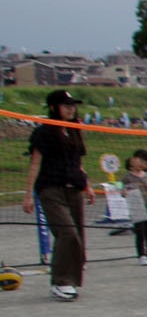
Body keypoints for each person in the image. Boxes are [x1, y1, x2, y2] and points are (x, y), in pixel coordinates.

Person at [23, 89, 94, 300]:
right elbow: (35, 163)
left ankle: (71, 280)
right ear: (54, 107)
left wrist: (87, 185)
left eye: (73, 104)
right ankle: (60, 281)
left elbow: (77, 163)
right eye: (66, 105)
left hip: (74, 188)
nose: (71, 108)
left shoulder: (75, 129)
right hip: (50, 188)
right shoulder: (44, 132)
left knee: (78, 237)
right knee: (67, 233)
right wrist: (28, 195)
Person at [123, 149, 147, 265]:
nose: (143, 164)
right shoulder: (127, 177)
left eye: (145, 163)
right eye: (141, 161)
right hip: (137, 208)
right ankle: (141, 255)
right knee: (140, 233)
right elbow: (124, 190)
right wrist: (124, 192)